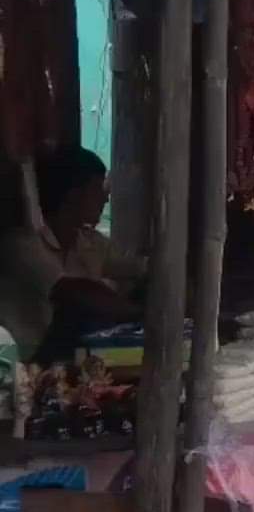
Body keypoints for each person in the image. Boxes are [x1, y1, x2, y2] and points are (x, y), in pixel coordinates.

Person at [0, 147, 145, 363]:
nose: (105, 199)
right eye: (97, 190)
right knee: (78, 312)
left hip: (73, 357)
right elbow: (72, 292)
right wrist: (139, 314)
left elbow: (137, 268)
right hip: (28, 366)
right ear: (73, 196)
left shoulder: (90, 243)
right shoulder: (23, 245)